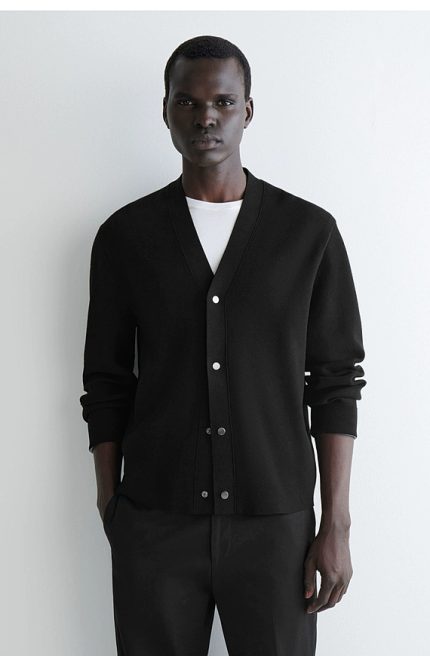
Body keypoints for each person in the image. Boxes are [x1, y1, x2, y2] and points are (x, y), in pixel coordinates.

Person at [79, 34, 366, 656]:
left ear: (248, 110)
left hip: (277, 526)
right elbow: (106, 382)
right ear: (165, 111)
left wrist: (335, 522)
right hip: (155, 522)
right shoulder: (126, 237)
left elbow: (335, 382)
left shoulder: (308, 233)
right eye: (186, 101)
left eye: (223, 102)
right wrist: (111, 503)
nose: (205, 117)